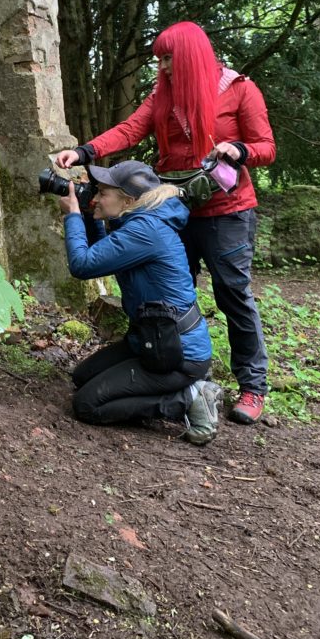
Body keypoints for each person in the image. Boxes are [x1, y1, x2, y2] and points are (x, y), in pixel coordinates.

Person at [56, 21, 275, 425]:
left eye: (169, 58)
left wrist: (239, 149)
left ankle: (252, 387)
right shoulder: (163, 95)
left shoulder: (240, 89)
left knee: (233, 294)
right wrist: (86, 151)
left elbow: (266, 147)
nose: (164, 66)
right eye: (160, 59)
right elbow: (130, 129)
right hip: (175, 209)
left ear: (190, 56)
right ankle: (177, 367)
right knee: (170, 292)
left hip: (227, 211)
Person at [60, 160, 220, 444]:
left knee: (87, 404)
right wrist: (90, 217)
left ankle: (189, 397)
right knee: (83, 377)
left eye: (103, 193)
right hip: (152, 342)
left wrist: (72, 215)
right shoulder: (140, 222)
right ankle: (180, 390)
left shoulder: (145, 231)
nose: (95, 197)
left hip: (178, 354)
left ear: (129, 200)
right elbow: (101, 253)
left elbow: (82, 265)